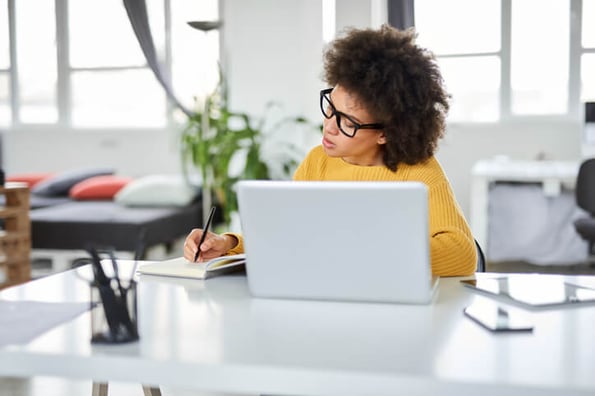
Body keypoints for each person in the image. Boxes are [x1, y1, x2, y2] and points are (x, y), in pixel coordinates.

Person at [184, 24, 477, 277]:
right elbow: (285, 234)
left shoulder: (419, 172)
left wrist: (368, 251)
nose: (329, 127)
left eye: (347, 121)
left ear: (386, 133)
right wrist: (226, 243)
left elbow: (463, 255)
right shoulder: (317, 162)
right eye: (330, 108)